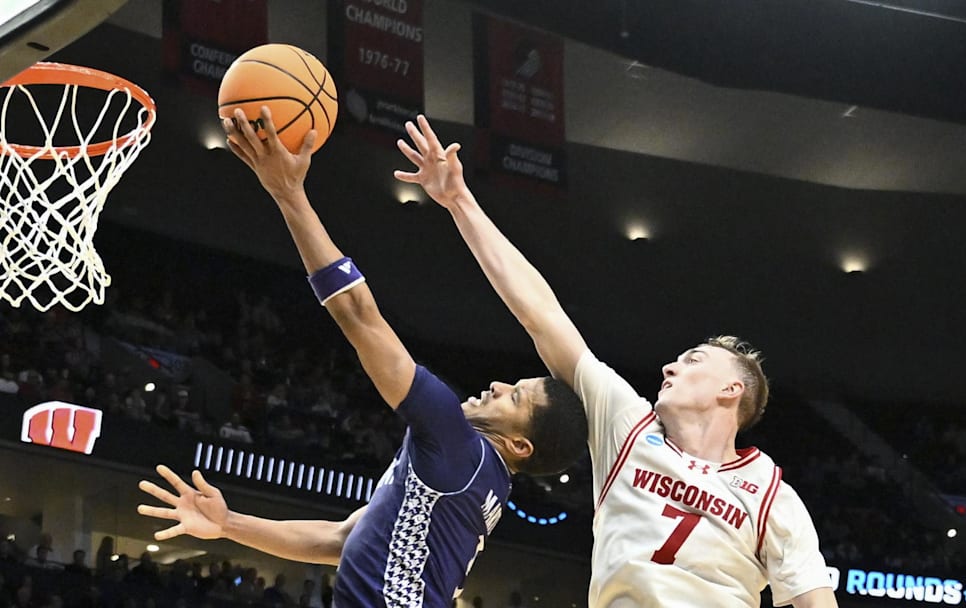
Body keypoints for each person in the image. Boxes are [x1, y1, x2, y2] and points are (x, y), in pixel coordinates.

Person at [137, 107, 587, 608]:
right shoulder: (468, 478)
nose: (500, 386)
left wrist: (289, 194)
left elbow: (357, 312)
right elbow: (341, 542)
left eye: (516, 395)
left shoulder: (455, 443)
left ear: (519, 445)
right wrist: (228, 525)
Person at [393, 115, 839, 608]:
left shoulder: (772, 495)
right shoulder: (627, 424)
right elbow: (541, 315)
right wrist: (459, 201)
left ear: (731, 390)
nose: (670, 368)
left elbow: (815, 602)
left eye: (693, 361)